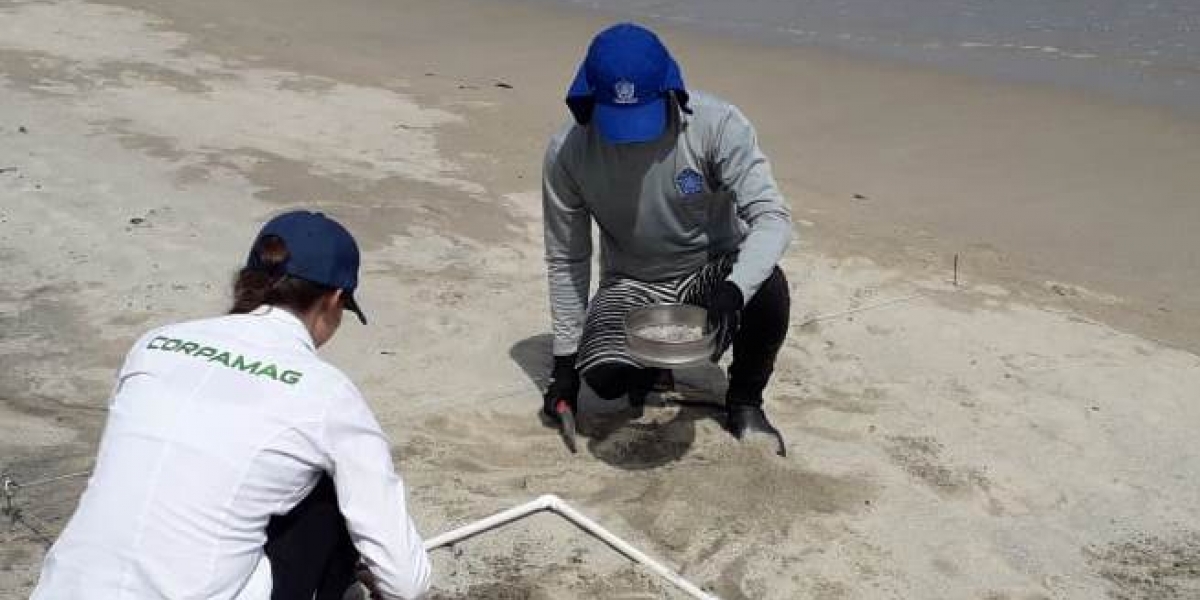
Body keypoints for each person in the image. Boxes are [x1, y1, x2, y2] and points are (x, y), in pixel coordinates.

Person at [31, 211, 431, 600]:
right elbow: (406, 583)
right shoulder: (328, 394)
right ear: (334, 300)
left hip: (61, 589)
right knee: (329, 493)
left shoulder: (155, 343)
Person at [541, 23, 793, 442]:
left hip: (710, 274)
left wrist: (735, 288)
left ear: (671, 90)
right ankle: (650, 368)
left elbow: (772, 217)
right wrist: (564, 367)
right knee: (605, 381)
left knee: (768, 290)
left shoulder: (717, 126)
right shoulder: (567, 153)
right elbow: (567, 256)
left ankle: (746, 402)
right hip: (631, 281)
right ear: (589, 101)